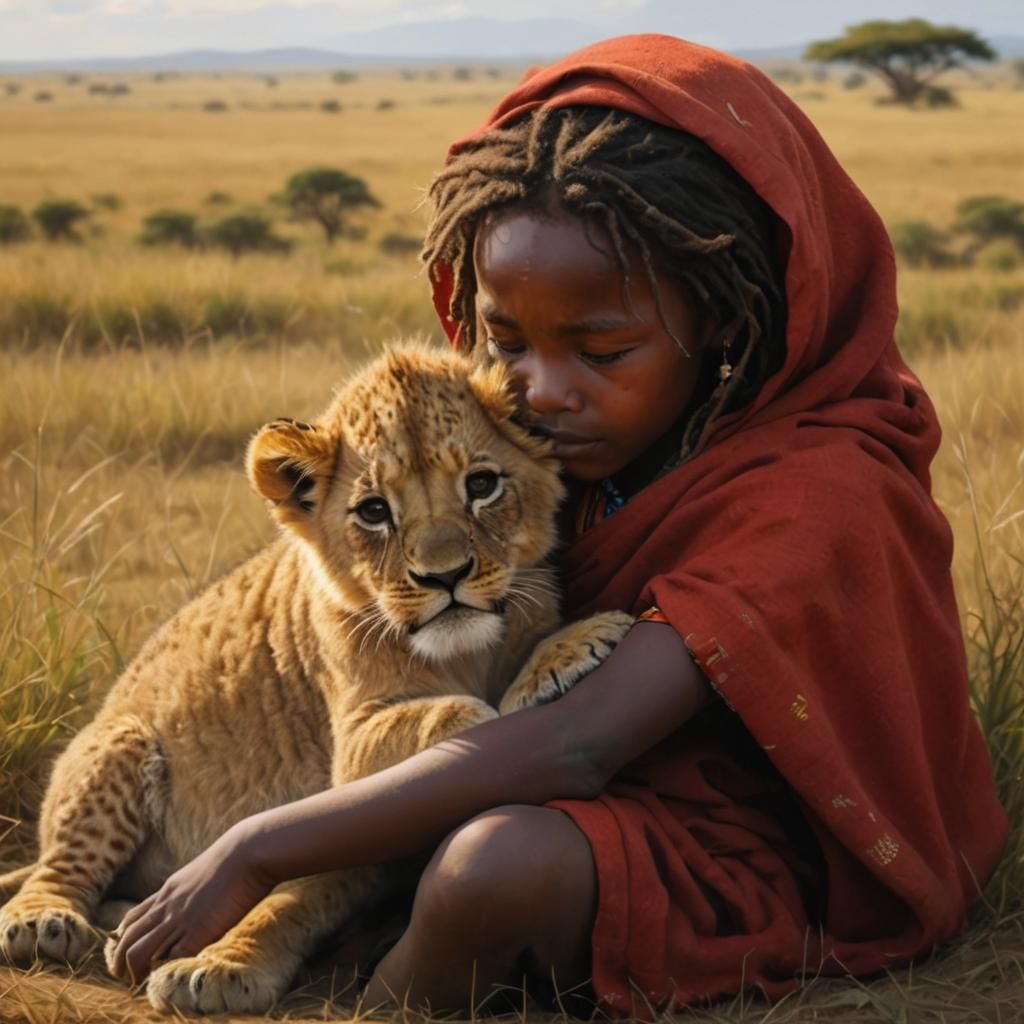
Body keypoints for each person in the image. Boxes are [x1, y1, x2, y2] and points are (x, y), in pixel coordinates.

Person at [111, 34, 1007, 1017]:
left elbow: (577, 742)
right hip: (537, 770)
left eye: (599, 347)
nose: (539, 389)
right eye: (506, 339)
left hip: (733, 846)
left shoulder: (813, 491)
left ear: (722, 315)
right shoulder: (539, 447)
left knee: (490, 868)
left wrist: (259, 845)